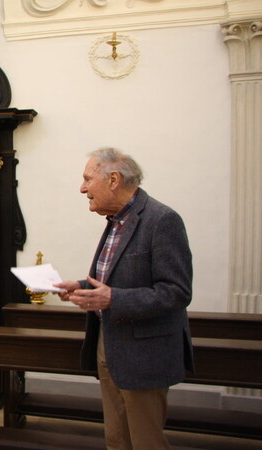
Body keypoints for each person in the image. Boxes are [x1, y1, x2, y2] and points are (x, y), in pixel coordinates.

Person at [54, 148, 194, 450]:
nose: (82, 188)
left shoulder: (162, 220)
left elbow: (176, 292)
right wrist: (80, 286)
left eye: (88, 179)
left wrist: (112, 299)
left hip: (144, 353)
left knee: (145, 442)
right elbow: (113, 279)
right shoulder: (116, 221)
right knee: (116, 439)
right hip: (111, 345)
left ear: (113, 179)